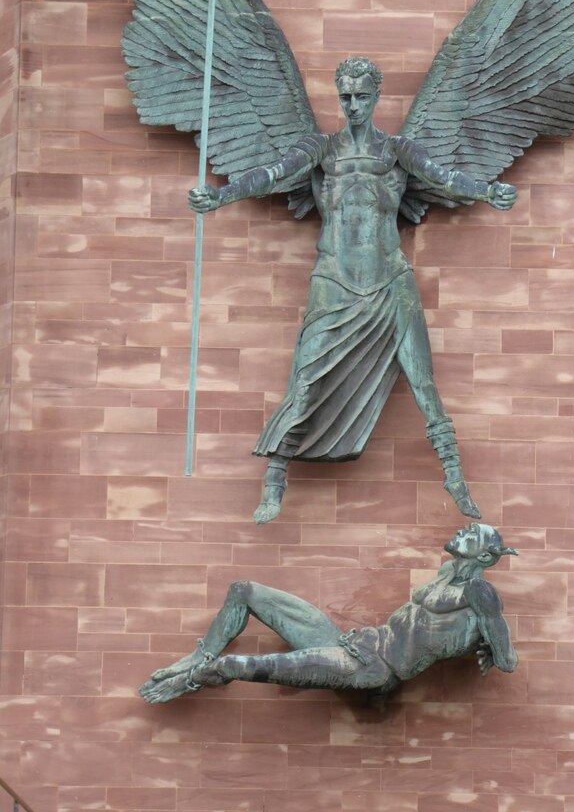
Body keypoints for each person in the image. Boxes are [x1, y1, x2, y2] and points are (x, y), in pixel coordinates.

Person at [189, 58, 517, 525]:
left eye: (362, 96)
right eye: (346, 96)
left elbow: (442, 177)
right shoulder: (321, 149)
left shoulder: (396, 151)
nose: (354, 105)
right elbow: (274, 173)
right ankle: (274, 483)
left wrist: (486, 191)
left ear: (376, 96)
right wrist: (221, 196)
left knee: (424, 383)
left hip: (390, 279)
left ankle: (455, 479)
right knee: (305, 381)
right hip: (335, 279)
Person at [139, 523, 518, 703]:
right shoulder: (446, 573)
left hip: (372, 669)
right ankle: (199, 656)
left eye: (472, 535)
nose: (463, 531)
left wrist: (489, 646)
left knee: (238, 665)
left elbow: (508, 661)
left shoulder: (479, 592)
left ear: (485, 556)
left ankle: (191, 680)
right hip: (352, 643)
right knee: (244, 591)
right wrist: (476, 643)